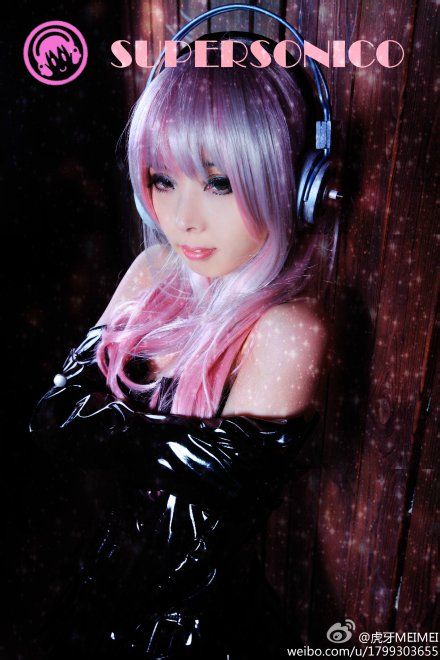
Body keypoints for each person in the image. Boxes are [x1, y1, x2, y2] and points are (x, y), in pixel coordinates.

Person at [29, 36, 337, 659]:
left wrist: (108, 416)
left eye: (219, 183)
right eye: (164, 180)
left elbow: (206, 495)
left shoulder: (289, 330)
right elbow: (53, 420)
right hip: (92, 610)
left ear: (295, 184)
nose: (184, 218)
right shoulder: (155, 271)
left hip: (193, 636)